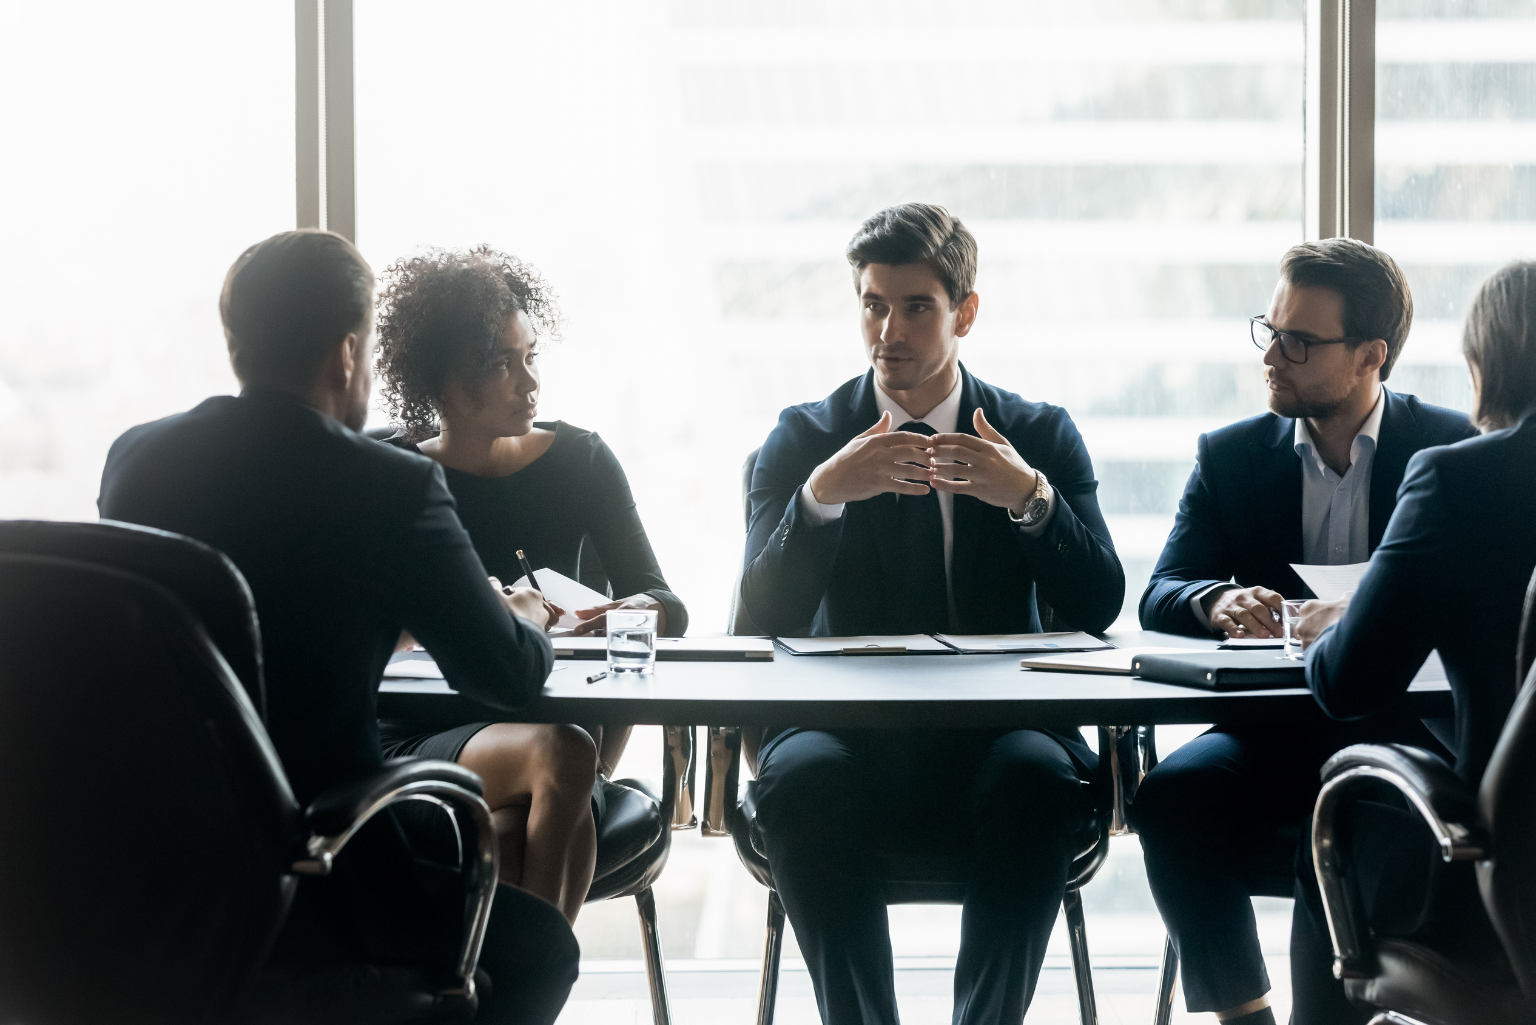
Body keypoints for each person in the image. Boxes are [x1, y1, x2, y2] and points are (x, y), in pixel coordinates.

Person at [97, 229, 580, 1024]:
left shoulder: (137, 460)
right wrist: (520, 616)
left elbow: (237, 618)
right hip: (328, 869)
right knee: (541, 948)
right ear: (348, 353)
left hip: (167, 869)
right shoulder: (392, 485)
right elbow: (507, 675)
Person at [739, 203, 1124, 1025]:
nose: (889, 331)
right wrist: (820, 498)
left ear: (965, 313)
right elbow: (756, 616)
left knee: (1038, 777)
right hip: (841, 734)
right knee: (798, 777)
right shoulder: (803, 438)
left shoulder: (1038, 434)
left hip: (1005, 735)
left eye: (916, 306)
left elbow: (1100, 603)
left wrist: (1030, 498)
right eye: (873, 305)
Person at [1128, 238, 1476, 1025]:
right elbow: (1163, 590)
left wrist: (1367, 608)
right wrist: (1216, 600)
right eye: (1270, 330)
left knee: (1351, 824)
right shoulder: (1230, 457)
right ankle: (1244, 1014)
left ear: (1370, 356)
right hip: (1270, 731)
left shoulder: (1451, 449)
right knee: (1171, 797)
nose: (1271, 357)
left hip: (1405, 736)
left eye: (1298, 341)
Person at [370, 244, 688, 869]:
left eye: (531, 356)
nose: (531, 382)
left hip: (555, 723)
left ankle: (503, 942)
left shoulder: (581, 462)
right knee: (530, 813)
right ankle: (538, 941)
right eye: (503, 364)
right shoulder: (393, 476)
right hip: (425, 728)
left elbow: (668, 604)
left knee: (514, 828)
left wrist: (633, 611)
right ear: (444, 379)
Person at [1288, 261, 1536, 1023]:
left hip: (1502, 880)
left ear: (1484, 365)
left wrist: (1340, 617)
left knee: (1333, 826)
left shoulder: (1460, 480)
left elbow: (1348, 683)